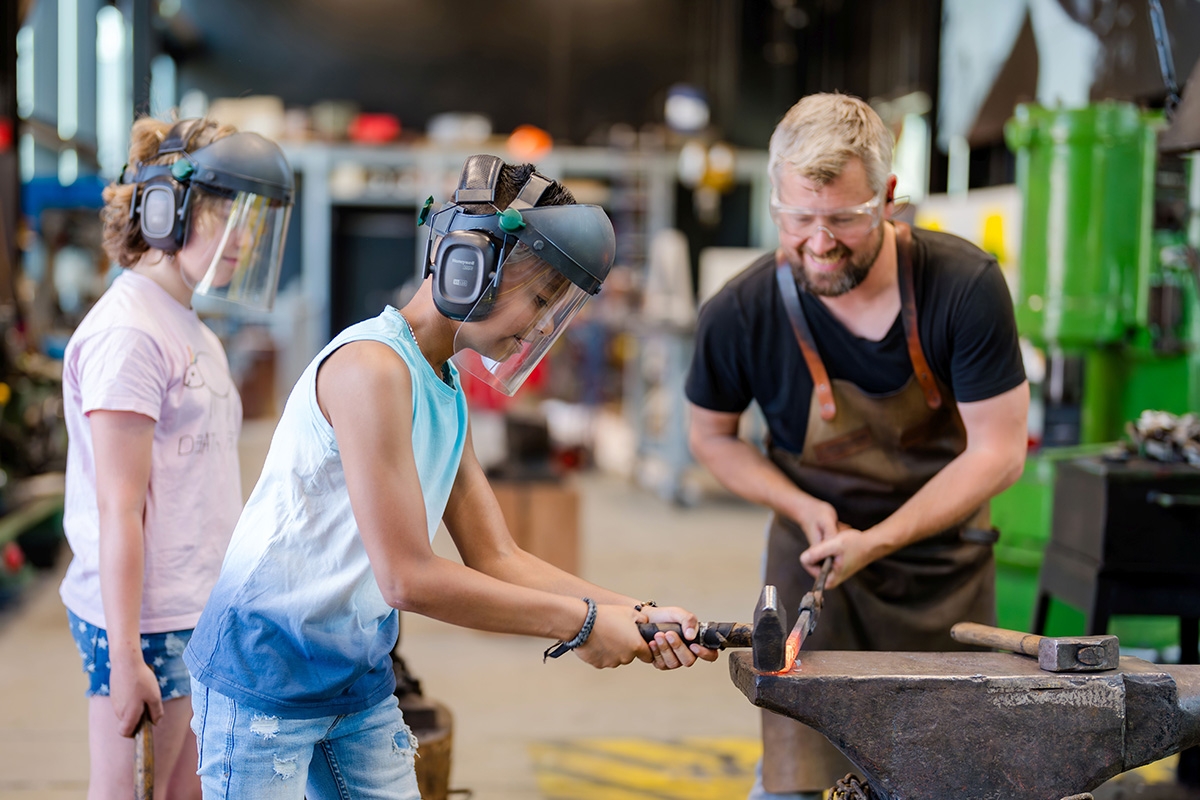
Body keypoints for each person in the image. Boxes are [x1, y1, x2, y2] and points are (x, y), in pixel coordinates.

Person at [183, 154, 719, 799]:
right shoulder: (371, 369)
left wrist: (633, 612)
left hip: (353, 673)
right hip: (266, 673)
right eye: (543, 297)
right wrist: (578, 625)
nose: (546, 324)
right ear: (471, 267)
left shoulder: (442, 382)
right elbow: (407, 577)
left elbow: (497, 556)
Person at [684, 93, 1030, 799]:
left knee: (952, 774)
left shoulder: (964, 288)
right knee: (796, 784)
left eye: (843, 218)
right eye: (798, 220)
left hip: (944, 577)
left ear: (889, 199)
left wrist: (878, 538)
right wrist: (800, 503)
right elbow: (710, 437)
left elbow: (999, 451)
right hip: (813, 576)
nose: (818, 242)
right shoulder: (739, 310)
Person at [59, 115, 295, 799]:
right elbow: (118, 509)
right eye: (226, 211)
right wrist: (127, 655)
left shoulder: (188, 324)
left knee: (186, 791)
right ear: (164, 209)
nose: (242, 237)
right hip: (145, 619)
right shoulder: (129, 334)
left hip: (198, 610)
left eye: (250, 217)